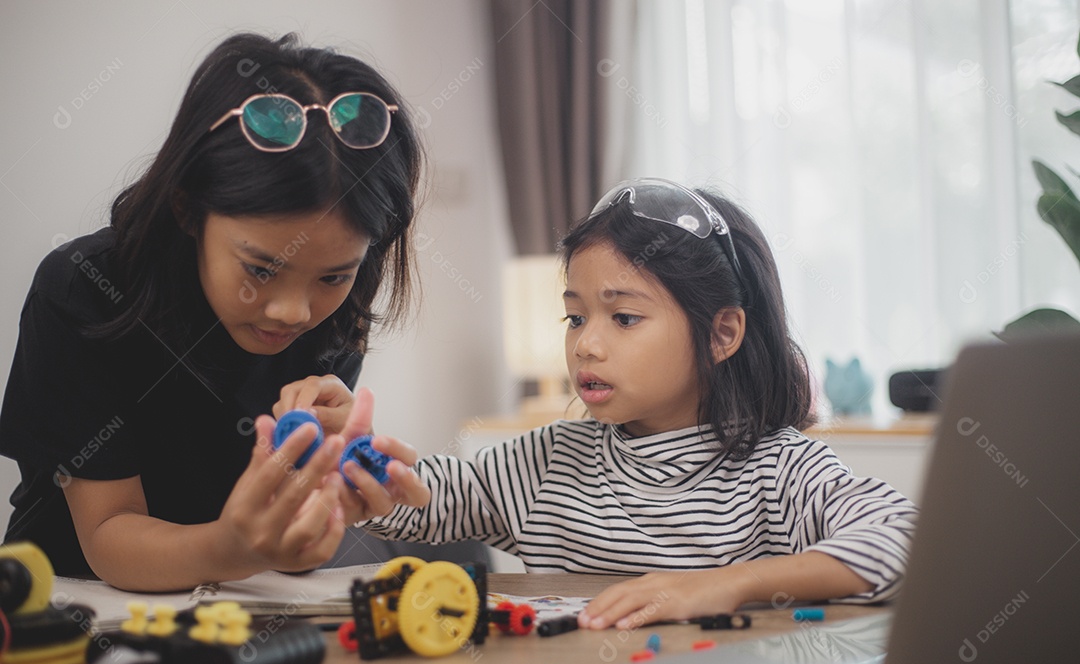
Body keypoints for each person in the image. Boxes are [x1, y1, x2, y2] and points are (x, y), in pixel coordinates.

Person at [330, 178, 919, 630]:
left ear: (721, 334)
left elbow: (904, 538)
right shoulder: (546, 464)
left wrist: (729, 584)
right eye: (576, 316)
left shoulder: (779, 471)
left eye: (625, 317)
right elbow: (425, 500)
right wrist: (346, 458)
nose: (585, 343)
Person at [0, 33, 432, 590]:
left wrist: (325, 504)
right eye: (260, 269)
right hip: (64, 604)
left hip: (232, 604)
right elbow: (108, 535)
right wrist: (234, 547)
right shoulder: (83, 289)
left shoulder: (335, 315)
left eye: (333, 275)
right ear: (188, 208)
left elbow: (290, 556)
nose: (293, 311)